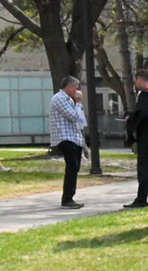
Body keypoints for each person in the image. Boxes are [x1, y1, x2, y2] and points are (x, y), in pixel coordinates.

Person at [50, 76, 87, 209]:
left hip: (74, 137)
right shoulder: (59, 99)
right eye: (75, 87)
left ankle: (70, 197)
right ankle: (67, 199)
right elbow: (73, 116)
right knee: (72, 166)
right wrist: (78, 102)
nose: (77, 90)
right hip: (65, 137)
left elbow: (79, 118)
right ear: (69, 86)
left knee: (74, 167)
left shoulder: (68, 100)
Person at [125, 70, 148, 209]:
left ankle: (141, 199)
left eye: (135, 80)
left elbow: (143, 113)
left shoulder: (144, 93)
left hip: (146, 136)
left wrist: (130, 121)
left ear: (139, 78)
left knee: (144, 168)